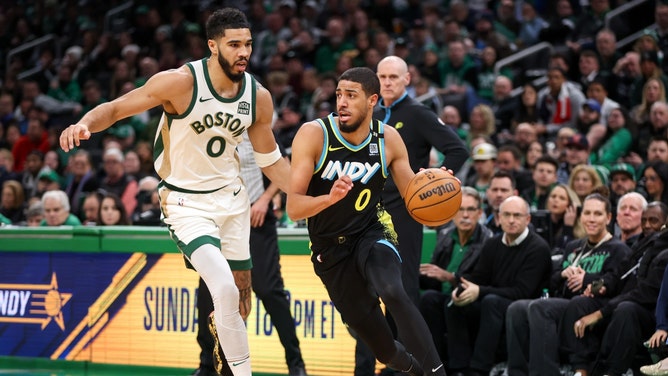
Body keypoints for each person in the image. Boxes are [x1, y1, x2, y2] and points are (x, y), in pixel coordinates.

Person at [59, 8, 291, 375]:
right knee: (225, 288)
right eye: (234, 44)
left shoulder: (258, 97)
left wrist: (314, 190)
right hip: (186, 201)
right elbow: (118, 107)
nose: (243, 51)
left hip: (233, 199)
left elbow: (272, 161)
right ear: (213, 46)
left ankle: (226, 362)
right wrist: (85, 123)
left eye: (247, 44)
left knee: (243, 291)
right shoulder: (180, 82)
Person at [286, 67, 446, 375]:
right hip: (330, 250)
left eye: (351, 96)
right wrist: (327, 199)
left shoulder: (388, 139)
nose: (342, 103)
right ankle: (411, 369)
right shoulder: (314, 134)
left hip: (371, 232)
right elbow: (293, 207)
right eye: (339, 95)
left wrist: (437, 186)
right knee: (386, 351)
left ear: (372, 100)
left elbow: (414, 195)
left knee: (393, 290)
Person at [192, 134, 307, 376]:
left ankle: (295, 363)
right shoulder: (209, 127)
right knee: (208, 291)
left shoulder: (254, 126)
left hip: (256, 218)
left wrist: (266, 198)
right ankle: (207, 364)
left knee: (268, 289)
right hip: (218, 219)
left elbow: (282, 164)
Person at [505, 193, 631, 376]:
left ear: (609, 218)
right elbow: (551, 281)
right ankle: (516, 372)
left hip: (592, 305)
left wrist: (587, 279)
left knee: (541, 308)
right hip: (564, 302)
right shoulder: (574, 246)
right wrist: (563, 273)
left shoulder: (618, 249)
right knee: (517, 308)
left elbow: (615, 283)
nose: (591, 219)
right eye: (587, 213)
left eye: (598, 214)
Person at [446, 196, 552, 376]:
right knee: (451, 303)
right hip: (493, 299)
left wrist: (479, 291)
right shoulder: (493, 243)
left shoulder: (538, 248)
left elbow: (522, 291)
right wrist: (461, 288)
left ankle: (479, 369)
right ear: (498, 218)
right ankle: (458, 368)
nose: (511, 220)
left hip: (524, 306)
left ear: (528, 219)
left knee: (491, 302)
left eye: (517, 215)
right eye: (507, 215)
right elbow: (480, 276)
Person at [565, 201, 668, 376]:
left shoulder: (664, 251)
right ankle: (580, 370)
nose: (647, 225)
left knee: (625, 310)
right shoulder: (640, 244)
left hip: (648, 311)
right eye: (644, 220)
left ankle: (612, 372)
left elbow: (647, 293)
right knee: (581, 303)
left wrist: (601, 313)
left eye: (654, 221)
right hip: (622, 300)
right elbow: (619, 272)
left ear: (665, 222)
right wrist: (599, 285)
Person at [418, 187, 494, 363]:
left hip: (472, 298)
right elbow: (433, 277)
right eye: (460, 210)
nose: (465, 215)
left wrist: (451, 277)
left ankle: (459, 368)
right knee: (425, 297)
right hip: (442, 296)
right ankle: (431, 363)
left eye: (470, 210)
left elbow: (481, 279)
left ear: (480, 213)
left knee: (452, 302)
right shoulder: (445, 235)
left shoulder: (488, 240)